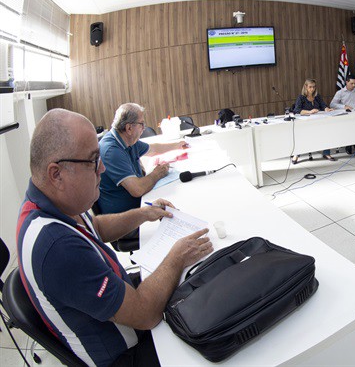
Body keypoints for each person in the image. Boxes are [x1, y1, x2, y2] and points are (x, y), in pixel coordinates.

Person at [16, 109, 214, 366]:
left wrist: (144, 214)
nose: (102, 168)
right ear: (57, 174)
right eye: (93, 160)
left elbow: (95, 226)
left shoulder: (51, 200)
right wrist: (176, 257)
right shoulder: (57, 247)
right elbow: (145, 314)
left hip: (127, 309)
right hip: (127, 355)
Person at [98, 103, 189, 215]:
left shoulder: (128, 139)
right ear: (129, 128)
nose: (144, 128)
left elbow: (153, 149)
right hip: (124, 215)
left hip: (139, 203)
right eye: (141, 124)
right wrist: (157, 173)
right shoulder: (111, 151)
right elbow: (137, 189)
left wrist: (177, 145)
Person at [291, 79, 337, 163]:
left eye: (314, 87)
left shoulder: (317, 96)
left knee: (327, 131)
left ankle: (326, 153)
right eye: (310, 87)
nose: (312, 89)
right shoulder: (301, 97)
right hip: (305, 123)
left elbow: (323, 105)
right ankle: (296, 154)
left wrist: (327, 109)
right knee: (301, 135)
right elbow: (297, 110)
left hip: (318, 121)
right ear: (305, 87)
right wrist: (309, 112)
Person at [330, 74, 355, 156]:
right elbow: (332, 104)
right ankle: (349, 146)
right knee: (349, 130)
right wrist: (344, 106)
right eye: (351, 83)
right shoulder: (340, 92)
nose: (354, 85)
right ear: (346, 82)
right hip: (346, 116)